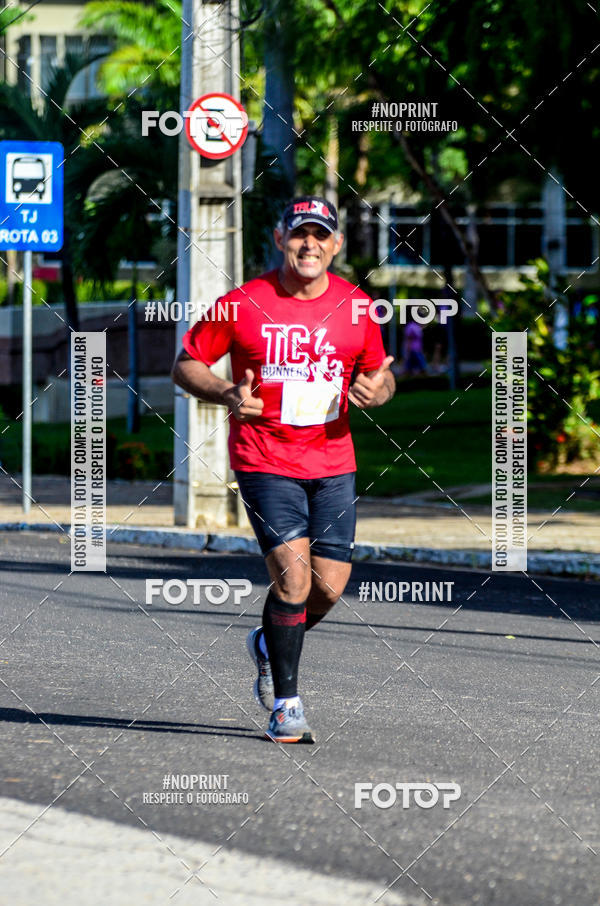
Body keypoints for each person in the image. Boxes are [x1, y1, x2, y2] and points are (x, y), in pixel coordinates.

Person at [171, 195, 395, 744]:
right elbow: (186, 364)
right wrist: (226, 390)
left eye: (321, 235)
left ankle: (267, 641)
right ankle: (287, 704)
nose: (310, 244)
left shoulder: (359, 308)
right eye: (300, 235)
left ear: (336, 245)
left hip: (334, 460)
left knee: (329, 587)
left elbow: (381, 376)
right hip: (264, 457)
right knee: (292, 579)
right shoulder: (243, 303)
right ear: (280, 240)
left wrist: (378, 391)